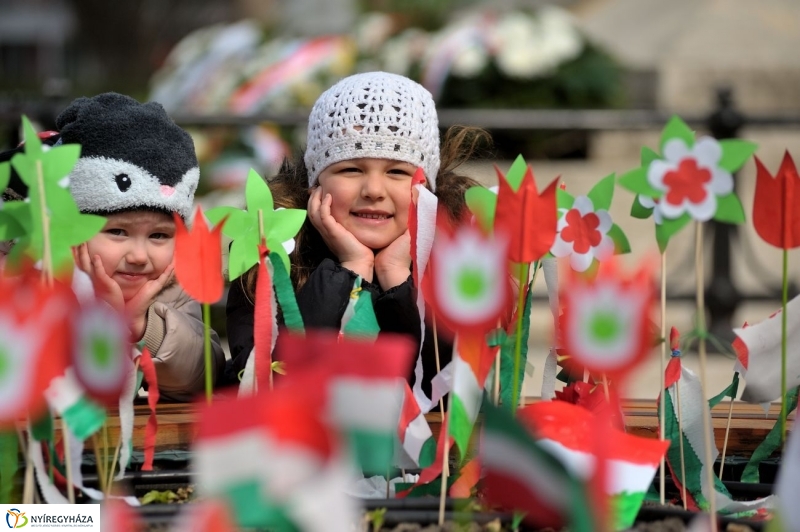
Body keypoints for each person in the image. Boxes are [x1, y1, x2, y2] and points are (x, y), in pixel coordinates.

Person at [224, 71, 490, 401]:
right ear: (316, 182)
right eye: (351, 169)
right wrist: (349, 271)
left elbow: (456, 396)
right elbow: (263, 383)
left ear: (428, 189)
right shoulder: (269, 257)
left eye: (397, 172)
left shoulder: (459, 263)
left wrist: (397, 280)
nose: (374, 190)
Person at [56, 92, 226, 402]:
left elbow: (205, 372)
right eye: (118, 232)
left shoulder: (171, 284)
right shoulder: (44, 278)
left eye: (159, 236)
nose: (138, 256)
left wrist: (141, 326)